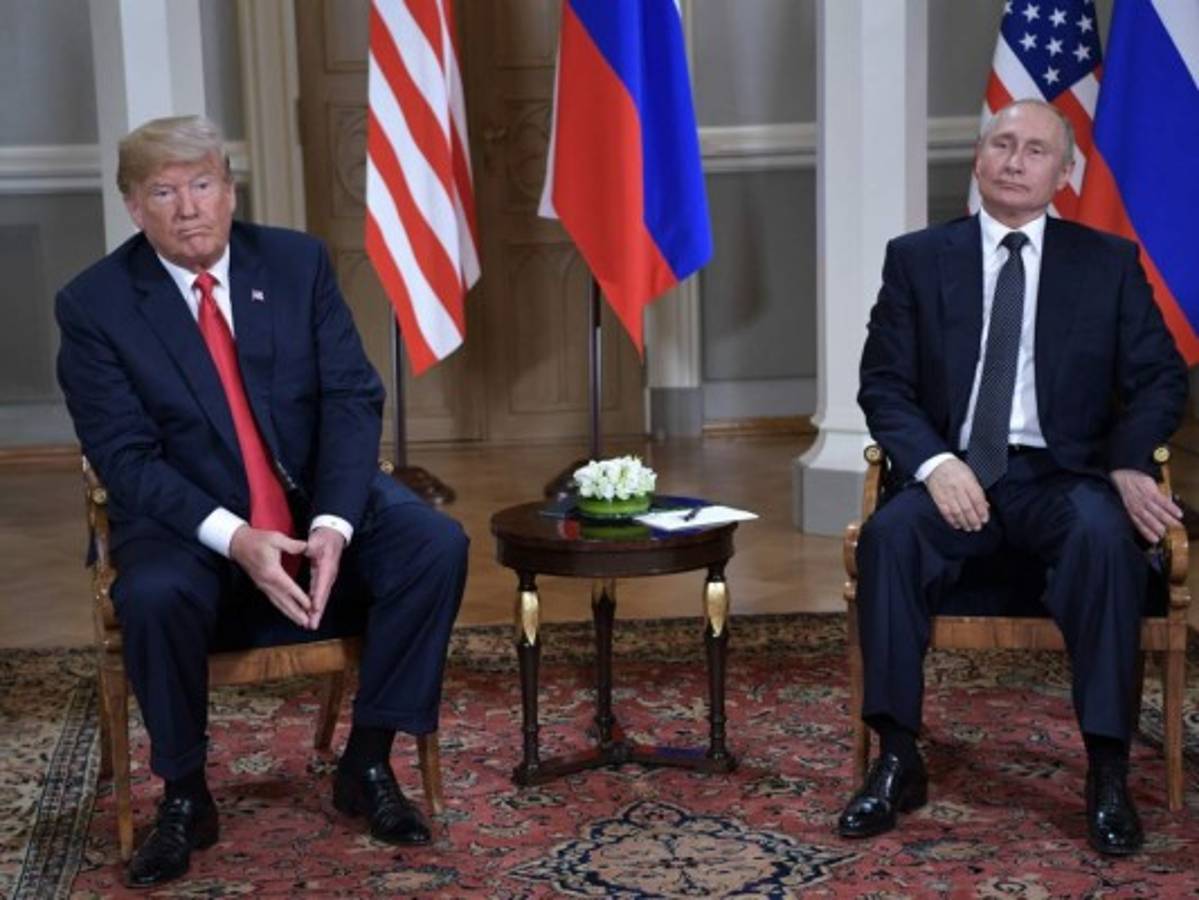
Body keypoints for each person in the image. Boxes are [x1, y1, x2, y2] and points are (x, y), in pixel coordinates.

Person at [56, 115, 468, 888]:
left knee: (433, 544)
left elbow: (350, 396)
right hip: (190, 524)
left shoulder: (294, 263)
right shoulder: (94, 305)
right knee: (151, 593)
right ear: (134, 207)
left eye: (202, 184)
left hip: (311, 503)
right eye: (164, 192)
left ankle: (367, 764)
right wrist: (237, 537)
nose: (189, 209)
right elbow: (126, 459)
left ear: (230, 190)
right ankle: (185, 796)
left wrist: (334, 524)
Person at [840, 99, 1187, 856]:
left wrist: (1126, 462)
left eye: (1035, 150)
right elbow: (883, 385)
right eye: (1001, 144)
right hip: (956, 474)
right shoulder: (917, 258)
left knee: (1104, 538)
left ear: (1063, 174)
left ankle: (1106, 769)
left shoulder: (1107, 263)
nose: (1014, 161)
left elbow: (1160, 379)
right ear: (977, 158)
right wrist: (934, 465)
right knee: (889, 538)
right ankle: (896, 757)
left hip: (1062, 477)